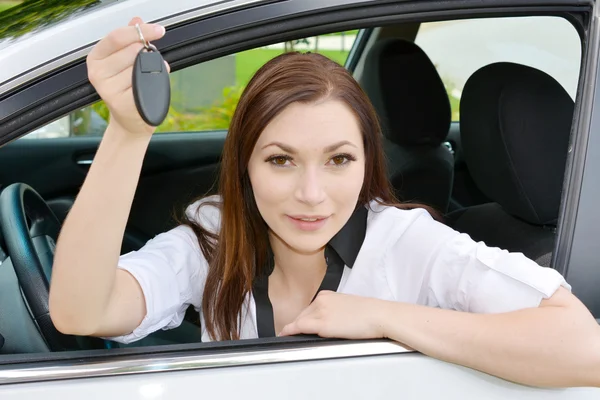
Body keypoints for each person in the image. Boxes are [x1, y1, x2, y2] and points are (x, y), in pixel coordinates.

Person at [49, 17, 600, 388]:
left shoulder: (404, 240)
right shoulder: (218, 231)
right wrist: (128, 130)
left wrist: (384, 318)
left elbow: (584, 346)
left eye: (338, 160)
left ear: (367, 162)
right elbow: (84, 311)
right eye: (281, 160)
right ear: (244, 165)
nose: (311, 195)